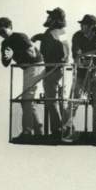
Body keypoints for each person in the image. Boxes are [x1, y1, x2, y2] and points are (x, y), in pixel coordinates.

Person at [0, 16, 44, 139]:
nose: (2, 35)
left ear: (10, 27)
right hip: (27, 69)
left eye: (3, 31)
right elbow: (5, 63)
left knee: (26, 99)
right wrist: (8, 56)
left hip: (35, 66)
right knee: (27, 99)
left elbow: (32, 55)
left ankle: (27, 131)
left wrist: (14, 53)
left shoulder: (20, 37)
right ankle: (39, 130)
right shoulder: (5, 43)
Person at [31, 8, 70, 137]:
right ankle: (67, 126)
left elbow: (56, 44)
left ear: (55, 19)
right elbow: (60, 45)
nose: (48, 19)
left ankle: (58, 129)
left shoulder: (52, 32)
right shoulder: (60, 32)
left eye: (51, 17)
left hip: (52, 70)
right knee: (61, 99)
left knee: (52, 100)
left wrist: (38, 37)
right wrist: (39, 36)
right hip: (59, 70)